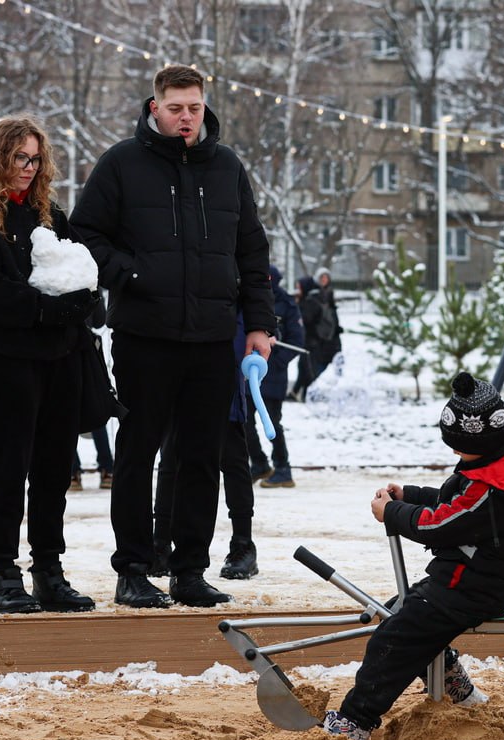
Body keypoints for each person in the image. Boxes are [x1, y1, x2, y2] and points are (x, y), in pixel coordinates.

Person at [70, 64, 277, 609]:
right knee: (137, 454)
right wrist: (133, 274)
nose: (186, 117)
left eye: (194, 107)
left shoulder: (227, 167)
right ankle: (134, 569)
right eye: (176, 107)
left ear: (204, 105)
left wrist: (259, 325)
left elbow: (252, 252)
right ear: (155, 107)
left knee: (200, 457)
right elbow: (84, 234)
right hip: (145, 334)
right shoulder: (122, 163)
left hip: (212, 337)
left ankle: (189, 570)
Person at [322, 372, 504, 740]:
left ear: (482, 440)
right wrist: (410, 495)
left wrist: (393, 513)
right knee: (397, 613)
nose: (453, 453)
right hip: (471, 579)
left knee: (396, 636)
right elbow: (459, 505)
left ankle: (354, 721)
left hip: (471, 586)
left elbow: (441, 526)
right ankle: (452, 682)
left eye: (459, 446)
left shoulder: (489, 485)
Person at [0, 115, 97, 614]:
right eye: (18, 158)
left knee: (54, 469)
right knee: (8, 468)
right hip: (9, 363)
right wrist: (51, 309)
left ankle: (49, 570)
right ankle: (4, 575)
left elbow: (82, 272)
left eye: (34, 159)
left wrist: (82, 303)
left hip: (61, 359)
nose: (27, 168)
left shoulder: (50, 215)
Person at [153, 315, 261, 582]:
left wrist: (261, 326)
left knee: (233, 458)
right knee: (170, 457)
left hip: (225, 347)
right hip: (178, 344)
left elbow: (255, 288)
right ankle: (160, 543)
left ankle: (243, 543)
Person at [247, 265, 305, 488]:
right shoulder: (248, 298)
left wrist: (276, 362)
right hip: (249, 373)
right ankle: (259, 464)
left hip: (273, 375)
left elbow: (297, 341)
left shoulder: (286, 304)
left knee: (272, 423)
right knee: (243, 422)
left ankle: (283, 468)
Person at [71, 293, 113, 492]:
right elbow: (100, 320)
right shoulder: (87, 277)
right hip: (86, 349)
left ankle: (72, 472)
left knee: (64, 416)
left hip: (61, 348)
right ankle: (107, 468)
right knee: (95, 411)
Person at [291, 275, 336, 401]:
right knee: (303, 367)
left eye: (299, 287)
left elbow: (305, 319)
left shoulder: (311, 301)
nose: (297, 290)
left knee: (308, 369)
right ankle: (297, 392)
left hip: (312, 341)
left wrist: (298, 306)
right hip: (312, 340)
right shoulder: (314, 298)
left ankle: (307, 395)